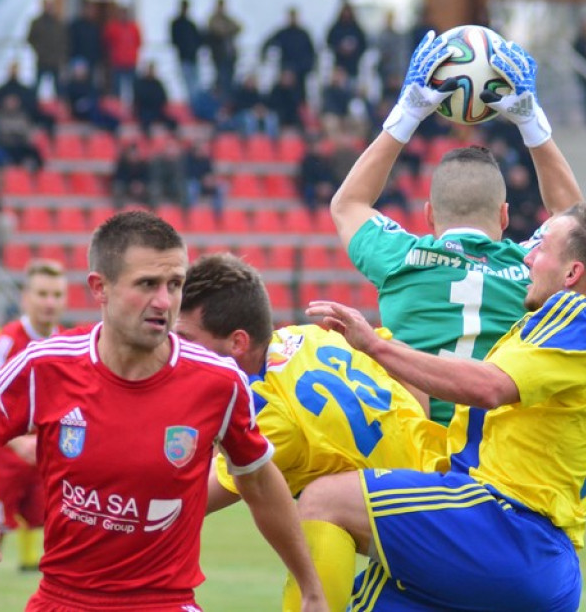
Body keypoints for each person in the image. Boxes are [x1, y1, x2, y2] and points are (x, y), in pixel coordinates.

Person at [0, 211, 327, 611]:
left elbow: (258, 479)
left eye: (175, 284)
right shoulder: (44, 367)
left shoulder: (219, 382)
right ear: (99, 288)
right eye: (147, 284)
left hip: (166, 602)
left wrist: (311, 588)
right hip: (64, 600)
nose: (164, 301)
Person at [300, 201, 586, 611]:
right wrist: (393, 353)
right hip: (529, 558)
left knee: (324, 500)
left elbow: (489, 387)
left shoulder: (577, 317)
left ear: (572, 274)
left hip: (502, 526)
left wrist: (375, 346)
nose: (528, 257)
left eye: (542, 248)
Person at [331, 31, 583, 426]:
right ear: (504, 216)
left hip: (417, 456)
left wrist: (408, 113)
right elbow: (572, 217)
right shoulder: (532, 268)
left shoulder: (400, 258)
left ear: (429, 215)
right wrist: (530, 120)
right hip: (497, 458)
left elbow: (347, 204)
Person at [175, 252, 446, 612]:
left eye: (185, 338)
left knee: (320, 505)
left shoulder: (265, 415)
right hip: (452, 484)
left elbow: (185, 502)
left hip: (429, 532)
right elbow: (403, 364)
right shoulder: (307, 337)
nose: (173, 350)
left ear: (238, 343)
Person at [0, 259, 66, 612]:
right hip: (2, 463)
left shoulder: (62, 343)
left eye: (56, 295)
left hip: (42, 465)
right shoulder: (8, 341)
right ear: (26, 297)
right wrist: (18, 442)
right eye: (42, 294)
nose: (49, 302)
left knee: (67, 547)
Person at [262, 7, 317, 104]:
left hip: (301, 71)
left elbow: (312, 52)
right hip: (286, 69)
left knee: (300, 99)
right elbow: (268, 43)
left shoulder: (303, 34)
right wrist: (263, 57)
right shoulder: (283, 33)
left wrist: (308, 67)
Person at [26, 0, 66, 98]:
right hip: (42, 59)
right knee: (36, 86)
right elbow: (30, 39)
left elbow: (64, 41)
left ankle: (59, 108)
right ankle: (33, 105)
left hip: (55, 61)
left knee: (58, 87)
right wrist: (39, 50)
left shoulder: (58, 23)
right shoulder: (37, 23)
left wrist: (61, 55)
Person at [101, 6, 142, 104]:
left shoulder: (134, 27)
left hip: (131, 61)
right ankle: (117, 108)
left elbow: (138, 42)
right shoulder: (112, 27)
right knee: (116, 88)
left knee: (134, 87)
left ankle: (134, 107)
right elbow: (106, 41)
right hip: (117, 61)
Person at [206, 0, 242, 97]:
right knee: (221, 79)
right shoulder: (213, 18)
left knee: (230, 79)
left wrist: (226, 28)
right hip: (219, 55)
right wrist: (228, 30)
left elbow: (239, 27)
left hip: (230, 55)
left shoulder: (227, 18)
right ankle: (222, 100)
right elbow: (219, 31)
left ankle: (228, 99)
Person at [169, 0, 202, 98]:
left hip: (192, 57)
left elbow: (198, 39)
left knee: (195, 83)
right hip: (185, 56)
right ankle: (193, 104)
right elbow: (175, 40)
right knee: (189, 83)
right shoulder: (178, 23)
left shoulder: (189, 23)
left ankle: (195, 103)